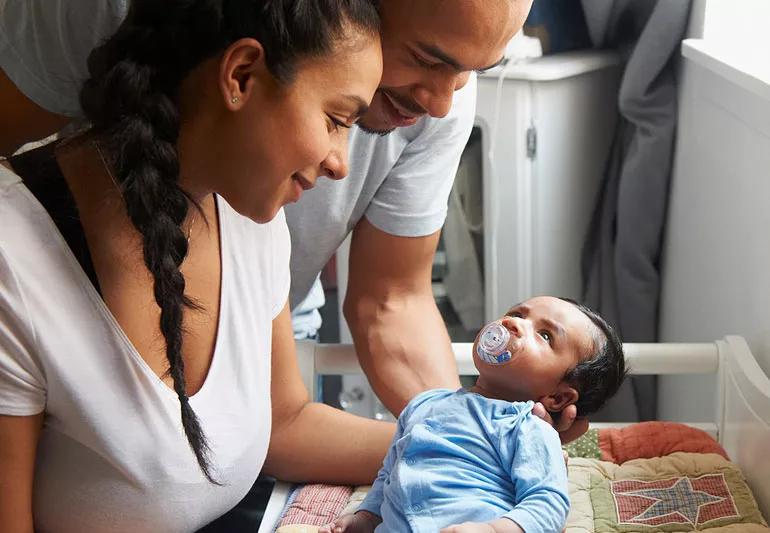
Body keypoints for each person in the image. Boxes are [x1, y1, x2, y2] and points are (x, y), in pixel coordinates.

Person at [0, 0, 592, 441]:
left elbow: (389, 300)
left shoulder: (257, 243)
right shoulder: (100, 14)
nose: (442, 103)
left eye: (474, 72)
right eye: (428, 60)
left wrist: (469, 437)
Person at [0, 1, 394, 531]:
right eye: (335, 120)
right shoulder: (14, 255)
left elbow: (286, 423)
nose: (340, 161)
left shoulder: (254, 217)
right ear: (241, 75)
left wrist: (463, 438)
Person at [320, 296, 627, 533]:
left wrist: (495, 528)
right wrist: (367, 516)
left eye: (545, 335)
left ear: (558, 397)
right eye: (518, 313)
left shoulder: (527, 428)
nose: (513, 323)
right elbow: (390, 472)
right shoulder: (423, 404)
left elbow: (549, 503)